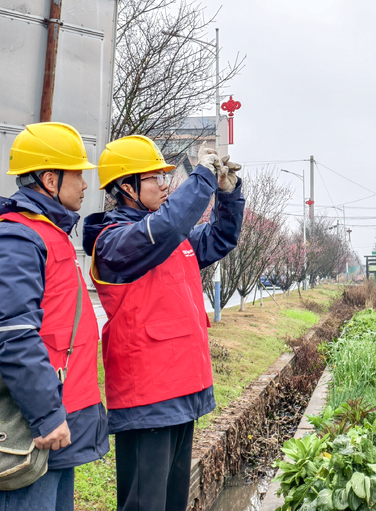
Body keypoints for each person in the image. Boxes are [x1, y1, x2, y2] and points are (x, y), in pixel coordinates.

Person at [83, 136, 244, 511]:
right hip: (147, 397)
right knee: (145, 505)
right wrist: (201, 176)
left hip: (182, 389)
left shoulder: (171, 236)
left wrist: (228, 194)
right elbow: (166, 229)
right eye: (155, 177)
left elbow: (221, 236)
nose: (165, 184)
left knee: (172, 503)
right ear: (126, 187)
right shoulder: (115, 241)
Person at [0, 122, 108, 511]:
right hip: (33, 421)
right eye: (77, 174)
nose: (84, 185)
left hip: (57, 416)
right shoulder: (12, 236)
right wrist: (45, 416)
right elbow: (11, 334)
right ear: (50, 179)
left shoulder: (47, 232)